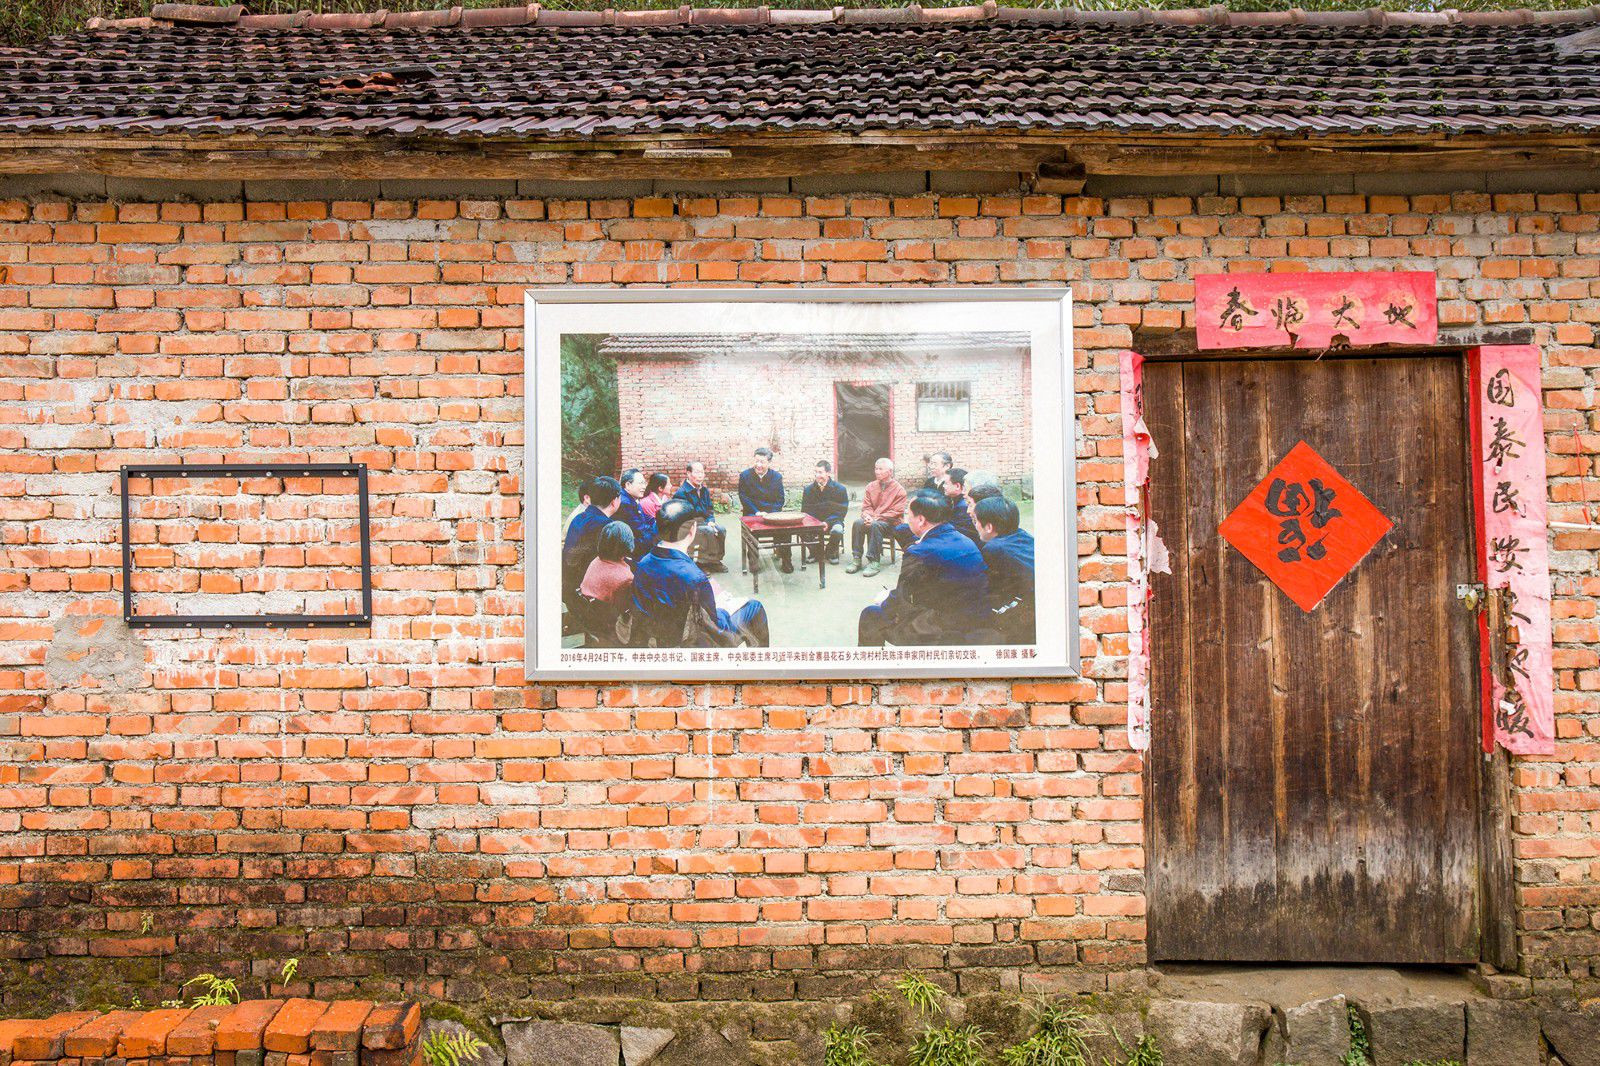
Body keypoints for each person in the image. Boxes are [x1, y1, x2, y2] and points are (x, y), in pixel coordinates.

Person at [631, 499, 769, 648]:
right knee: (754, 607)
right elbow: (715, 626)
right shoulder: (695, 578)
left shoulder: (643, 563)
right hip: (690, 641)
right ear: (692, 530)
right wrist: (725, 607)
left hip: (657, 636)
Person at [858, 492, 989, 647]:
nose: (906, 519)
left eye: (908, 514)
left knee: (871, 614)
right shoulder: (965, 540)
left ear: (921, 520)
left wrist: (884, 600)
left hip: (943, 630)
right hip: (974, 619)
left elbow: (902, 597)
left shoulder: (919, 552)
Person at [975, 495, 1036, 644]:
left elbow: (989, 584)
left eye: (976, 521)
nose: (975, 526)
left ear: (989, 527)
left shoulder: (994, 548)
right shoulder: (1022, 534)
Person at [562, 475, 622, 604]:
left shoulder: (579, 517)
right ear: (614, 501)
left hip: (569, 587)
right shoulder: (606, 526)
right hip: (588, 596)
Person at [847, 457, 907, 578]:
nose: (877, 472)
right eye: (876, 468)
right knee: (858, 523)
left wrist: (875, 518)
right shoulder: (871, 486)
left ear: (890, 472)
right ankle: (857, 558)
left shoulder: (899, 490)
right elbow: (866, 506)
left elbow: (896, 512)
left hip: (891, 523)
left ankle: (874, 561)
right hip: (873, 520)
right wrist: (868, 516)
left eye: (880, 469)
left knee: (875, 525)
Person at [738, 446, 792, 574]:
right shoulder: (745, 476)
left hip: (771, 514)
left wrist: (769, 514)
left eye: (762, 462)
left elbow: (780, 500)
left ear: (769, 462)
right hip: (752, 513)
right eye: (756, 461)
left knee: (785, 531)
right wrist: (757, 512)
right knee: (751, 532)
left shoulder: (776, 477)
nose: (758, 465)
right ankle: (753, 560)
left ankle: (786, 560)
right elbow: (743, 497)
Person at [672, 460, 726, 572]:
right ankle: (701, 563)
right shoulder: (682, 493)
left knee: (721, 530)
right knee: (707, 531)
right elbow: (683, 516)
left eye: (702, 472)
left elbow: (709, 509)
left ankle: (715, 560)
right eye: (697, 472)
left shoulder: (704, 490)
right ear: (688, 473)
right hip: (688, 524)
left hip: (704, 521)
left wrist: (711, 520)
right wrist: (703, 522)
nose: (700, 476)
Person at [801, 459, 849, 564]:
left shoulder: (840, 489)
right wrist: (817, 523)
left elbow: (841, 511)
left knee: (838, 530)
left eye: (820, 472)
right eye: (816, 472)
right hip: (814, 522)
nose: (817, 475)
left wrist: (827, 522)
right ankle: (815, 552)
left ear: (828, 473)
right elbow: (805, 511)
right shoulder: (808, 490)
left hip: (833, 521)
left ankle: (830, 552)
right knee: (801, 531)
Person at [579, 521, 636, 604]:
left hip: (585, 606)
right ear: (628, 542)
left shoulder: (596, 561)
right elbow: (623, 607)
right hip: (604, 610)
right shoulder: (626, 578)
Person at [615, 468, 657, 559]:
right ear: (628, 485)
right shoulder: (625, 503)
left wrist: (657, 521)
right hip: (632, 551)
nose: (644, 486)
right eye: (640, 483)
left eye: (644, 483)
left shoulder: (631, 498)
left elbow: (645, 517)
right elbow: (640, 531)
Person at [943, 468, 981, 545]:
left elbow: (957, 533)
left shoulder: (963, 507)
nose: (943, 486)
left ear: (957, 486)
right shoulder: (954, 501)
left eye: (946, 483)